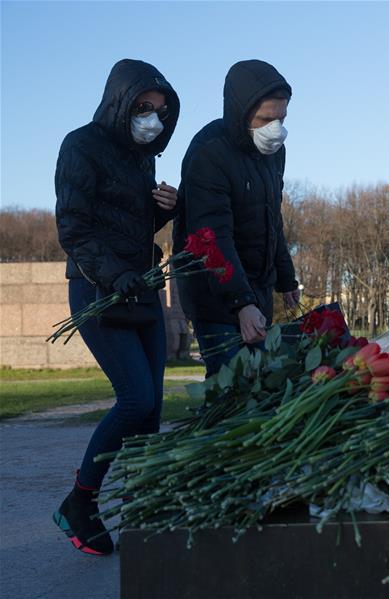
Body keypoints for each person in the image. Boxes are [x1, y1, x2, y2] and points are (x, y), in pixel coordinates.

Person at [54, 59, 180, 555]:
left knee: (151, 411)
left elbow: (128, 225)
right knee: (135, 400)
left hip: (140, 287)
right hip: (98, 288)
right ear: (120, 102)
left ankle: (142, 508)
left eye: (161, 112)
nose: (152, 119)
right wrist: (115, 275)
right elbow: (76, 229)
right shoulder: (80, 145)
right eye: (144, 108)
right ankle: (79, 502)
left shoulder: (141, 156)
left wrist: (161, 210)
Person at [173, 60, 299, 377]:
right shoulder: (210, 152)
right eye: (266, 119)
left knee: (256, 392)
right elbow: (210, 238)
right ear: (242, 114)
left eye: (281, 118)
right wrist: (241, 303)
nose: (276, 128)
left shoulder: (273, 152)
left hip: (257, 291)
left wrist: (286, 277)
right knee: (228, 391)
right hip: (217, 297)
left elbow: (273, 218)